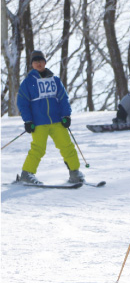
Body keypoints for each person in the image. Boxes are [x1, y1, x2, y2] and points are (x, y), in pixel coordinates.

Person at [16, 50, 85, 185]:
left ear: (45, 62)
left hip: (57, 121)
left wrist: (66, 115)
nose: (38, 63)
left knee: (67, 146)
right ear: (32, 64)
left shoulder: (55, 80)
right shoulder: (28, 82)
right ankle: (27, 173)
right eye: (35, 61)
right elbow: (22, 103)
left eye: (41, 60)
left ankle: (74, 172)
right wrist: (28, 120)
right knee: (38, 148)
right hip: (39, 122)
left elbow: (63, 98)